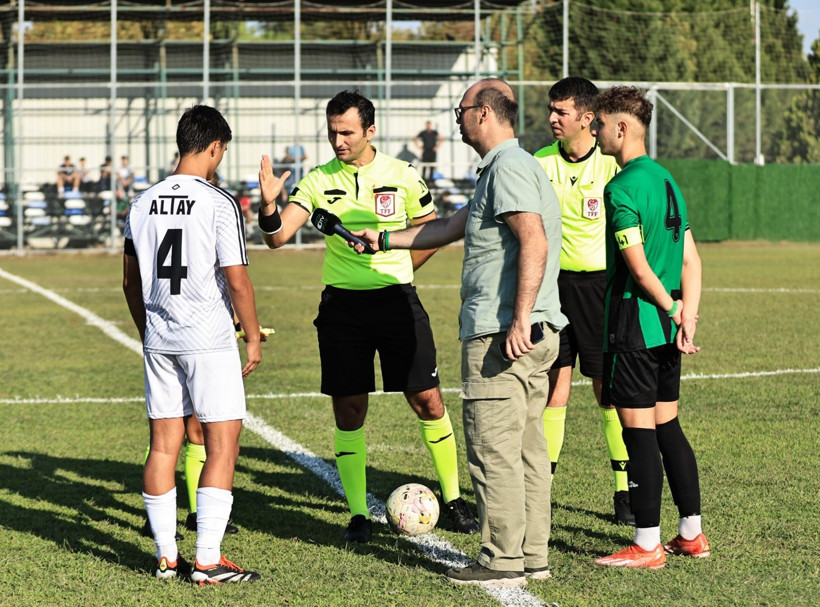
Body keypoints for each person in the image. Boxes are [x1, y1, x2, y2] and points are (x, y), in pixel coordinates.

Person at [351, 78, 566, 588]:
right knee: (527, 452)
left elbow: (531, 239)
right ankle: (533, 556)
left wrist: (518, 317)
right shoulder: (516, 166)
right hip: (538, 332)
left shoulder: (509, 168)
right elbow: (450, 227)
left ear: (485, 114)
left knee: (493, 450)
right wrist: (383, 238)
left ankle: (501, 559)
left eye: (461, 109)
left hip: (504, 335)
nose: (456, 117)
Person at [256, 89, 478, 544]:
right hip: (342, 309)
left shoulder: (401, 175)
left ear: (369, 131)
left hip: (398, 302)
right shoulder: (317, 180)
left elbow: (432, 229)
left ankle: (453, 500)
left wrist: (400, 270)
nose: (338, 141)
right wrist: (267, 206)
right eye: (333, 132)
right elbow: (278, 239)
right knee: (350, 408)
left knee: (427, 399)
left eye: (347, 133)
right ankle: (358, 513)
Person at [122, 104, 274, 584]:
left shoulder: (141, 202)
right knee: (221, 444)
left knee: (163, 447)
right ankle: (207, 560)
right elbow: (238, 281)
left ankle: (168, 557)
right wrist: (252, 337)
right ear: (213, 147)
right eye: (221, 152)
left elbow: (130, 283)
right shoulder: (217, 201)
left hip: (160, 337)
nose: (220, 161)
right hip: (208, 339)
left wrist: (149, 333)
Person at [589, 86, 708, 569]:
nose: (594, 131)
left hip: (635, 327)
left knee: (637, 432)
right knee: (668, 426)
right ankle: (691, 535)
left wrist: (673, 310)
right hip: (666, 331)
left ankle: (645, 544)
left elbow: (639, 269)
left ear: (621, 128)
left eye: (599, 123)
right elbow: (692, 261)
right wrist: (685, 314)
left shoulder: (620, 187)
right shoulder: (667, 181)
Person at [533, 77, 632, 525]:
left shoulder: (612, 167)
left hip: (599, 291)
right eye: (550, 110)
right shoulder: (538, 163)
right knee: (555, 387)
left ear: (587, 118)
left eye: (561, 112)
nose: (552, 118)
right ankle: (542, 492)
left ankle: (624, 491)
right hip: (552, 289)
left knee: (606, 392)